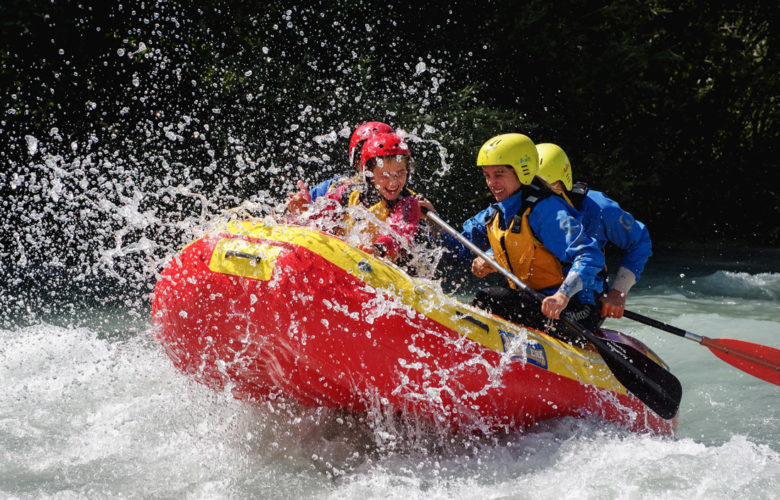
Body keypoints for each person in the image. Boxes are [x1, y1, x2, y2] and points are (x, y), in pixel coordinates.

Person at [448, 133, 605, 342]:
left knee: (491, 298)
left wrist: (562, 295)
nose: (491, 183)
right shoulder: (496, 212)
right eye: (487, 175)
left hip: (573, 308)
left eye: (499, 174)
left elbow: (590, 255)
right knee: (492, 298)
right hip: (532, 301)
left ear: (522, 172)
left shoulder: (547, 211)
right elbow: (458, 243)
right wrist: (428, 221)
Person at [536, 143, 652, 319]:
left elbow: (640, 241)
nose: (536, 195)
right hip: (538, 291)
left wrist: (619, 291)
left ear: (560, 183)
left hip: (583, 299)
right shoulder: (526, 207)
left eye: (542, 188)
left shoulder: (600, 207)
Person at [311, 131, 422, 263]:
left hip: (385, 268)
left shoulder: (407, 202)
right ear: (369, 174)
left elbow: (399, 232)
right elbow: (318, 216)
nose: (393, 182)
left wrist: (378, 248)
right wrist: (300, 212)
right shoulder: (347, 193)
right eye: (384, 175)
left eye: (400, 173)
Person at [287, 121, 395, 213]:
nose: (383, 168)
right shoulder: (333, 188)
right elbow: (307, 218)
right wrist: (301, 209)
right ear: (356, 160)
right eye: (372, 159)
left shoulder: (404, 198)